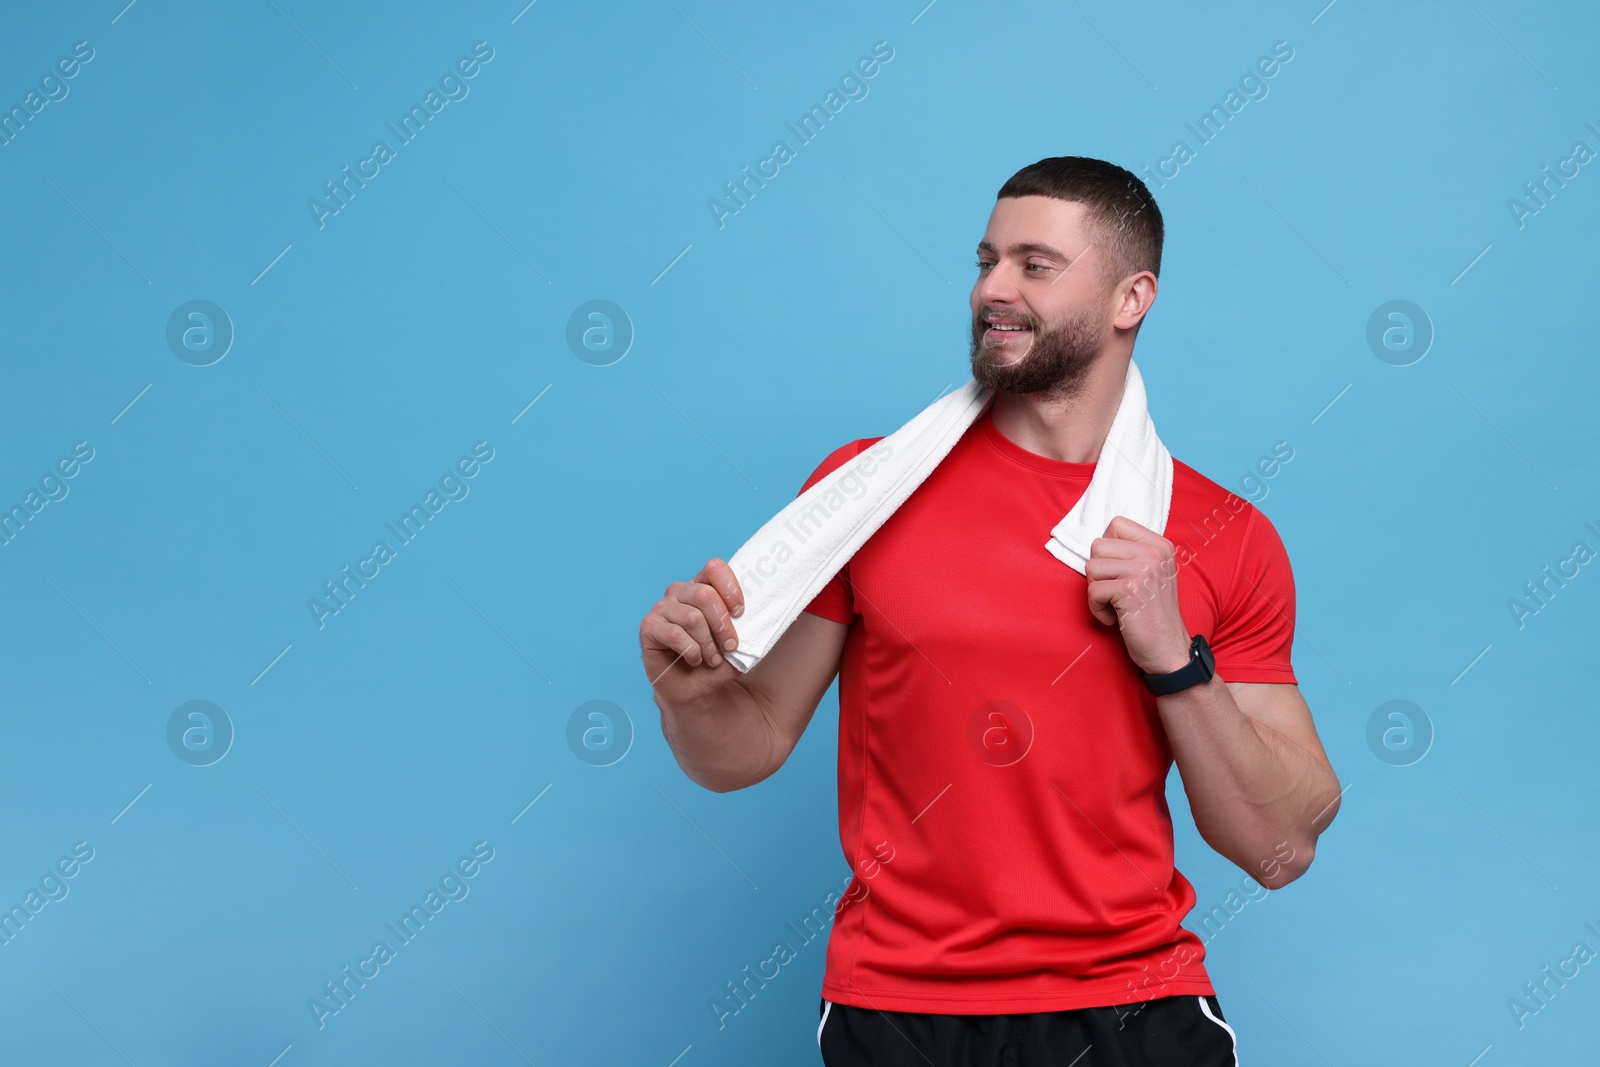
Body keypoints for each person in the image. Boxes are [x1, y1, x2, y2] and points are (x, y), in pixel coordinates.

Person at [639, 156, 1341, 1066]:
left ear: (1133, 298)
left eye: (1034, 264)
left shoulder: (1222, 533)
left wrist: (1175, 659)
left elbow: (1278, 844)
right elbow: (749, 746)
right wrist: (690, 691)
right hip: (900, 1009)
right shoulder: (868, 489)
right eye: (986, 260)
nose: (991, 290)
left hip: (1136, 1008)